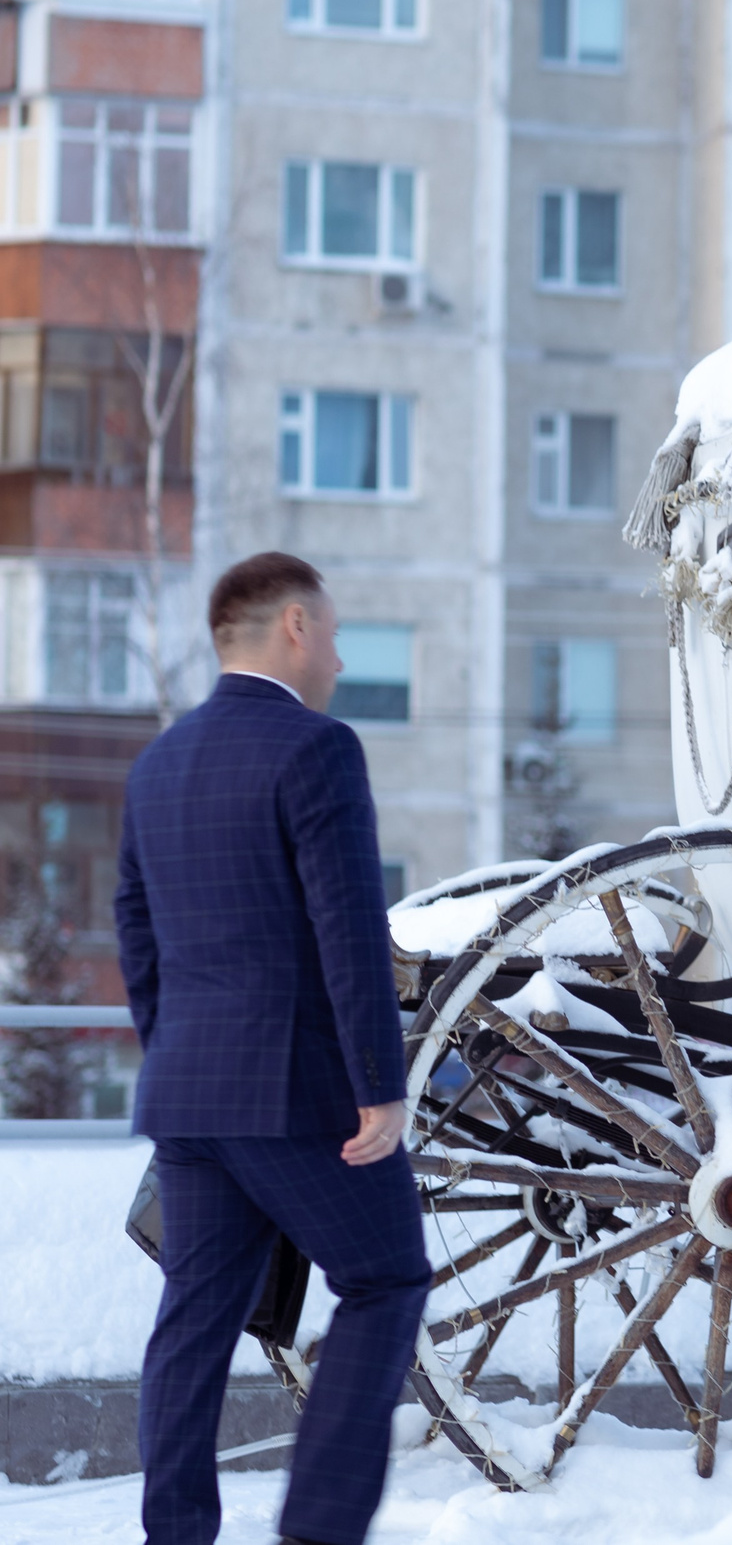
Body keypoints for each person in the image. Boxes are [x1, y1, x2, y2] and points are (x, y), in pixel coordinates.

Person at [118, 553, 429, 1545]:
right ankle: (319, 1531)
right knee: (386, 1282)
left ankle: (175, 1534)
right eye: (333, 635)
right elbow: (349, 928)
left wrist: (177, 1059)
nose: (337, 658)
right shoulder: (317, 748)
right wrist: (380, 1087)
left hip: (189, 1095)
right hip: (297, 1098)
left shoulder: (158, 761)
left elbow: (135, 932)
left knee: (194, 1323)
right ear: (293, 625)